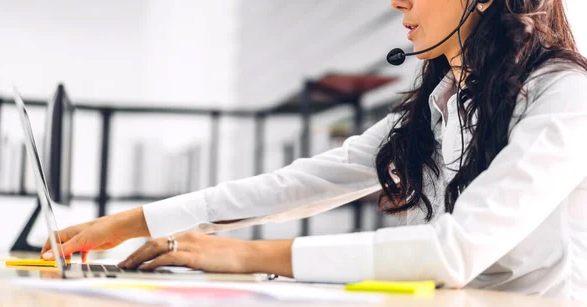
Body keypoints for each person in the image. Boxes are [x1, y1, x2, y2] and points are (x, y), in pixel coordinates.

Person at [42, 0, 587, 301]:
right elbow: (304, 182)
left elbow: (452, 253)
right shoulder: (442, 100)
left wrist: (238, 256)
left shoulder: (566, 95)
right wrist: (133, 222)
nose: (397, 1)